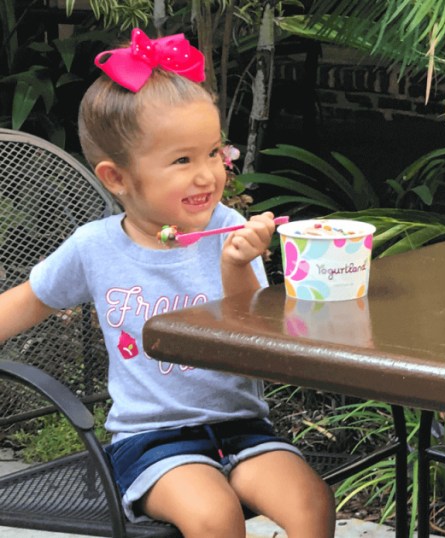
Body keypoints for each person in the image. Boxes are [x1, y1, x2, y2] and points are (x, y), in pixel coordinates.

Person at [0, 30, 334, 538]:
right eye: (182, 160)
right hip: (152, 440)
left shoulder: (230, 233)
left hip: (242, 428)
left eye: (214, 153)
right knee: (214, 516)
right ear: (116, 178)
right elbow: (23, 304)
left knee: (311, 502)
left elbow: (251, 336)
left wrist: (236, 265)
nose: (207, 175)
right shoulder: (94, 248)